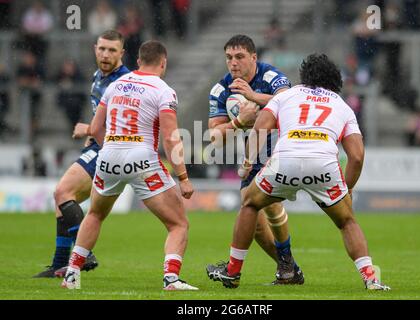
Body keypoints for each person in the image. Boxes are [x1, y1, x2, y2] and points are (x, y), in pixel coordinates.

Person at [207, 54, 391, 291]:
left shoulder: (286, 96)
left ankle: (232, 271)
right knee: (347, 221)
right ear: (335, 81)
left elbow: (260, 127)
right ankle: (371, 279)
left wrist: (247, 163)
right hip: (323, 165)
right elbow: (357, 156)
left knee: (250, 204)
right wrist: (348, 187)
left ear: (304, 76)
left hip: (286, 160)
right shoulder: (342, 106)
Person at [61, 40, 198, 291]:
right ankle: (171, 278)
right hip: (141, 158)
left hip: (109, 156)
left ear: (138, 61)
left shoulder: (115, 85)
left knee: (95, 214)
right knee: (178, 224)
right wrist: (183, 177)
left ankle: (72, 273)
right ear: (163, 62)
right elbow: (170, 137)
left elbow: (95, 128)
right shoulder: (163, 89)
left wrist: (110, 146)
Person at [33, 30, 130, 278]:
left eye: (112, 50)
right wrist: (92, 131)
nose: (106, 54)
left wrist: (88, 128)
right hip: (99, 146)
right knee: (64, 199)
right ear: (95, 49)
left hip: (114, 150)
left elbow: (125, 126)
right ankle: (59, 264)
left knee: (62, 192)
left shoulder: (125, 83)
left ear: (122, 53)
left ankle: (83, 253)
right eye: (102, 49)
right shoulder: (98, 76)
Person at [207, 34, 303, 285]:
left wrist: (252, 96)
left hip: (281, 150)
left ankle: (236, 270)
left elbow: (291, 101)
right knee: (256, 221)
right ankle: (289, 267)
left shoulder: (271, 77)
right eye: (229, 57)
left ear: (254, 57)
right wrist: (238, 122)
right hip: (252, 154)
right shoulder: (220, 89)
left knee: (261, 205)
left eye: (239, 57)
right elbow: (215, 138)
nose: (233, 63)